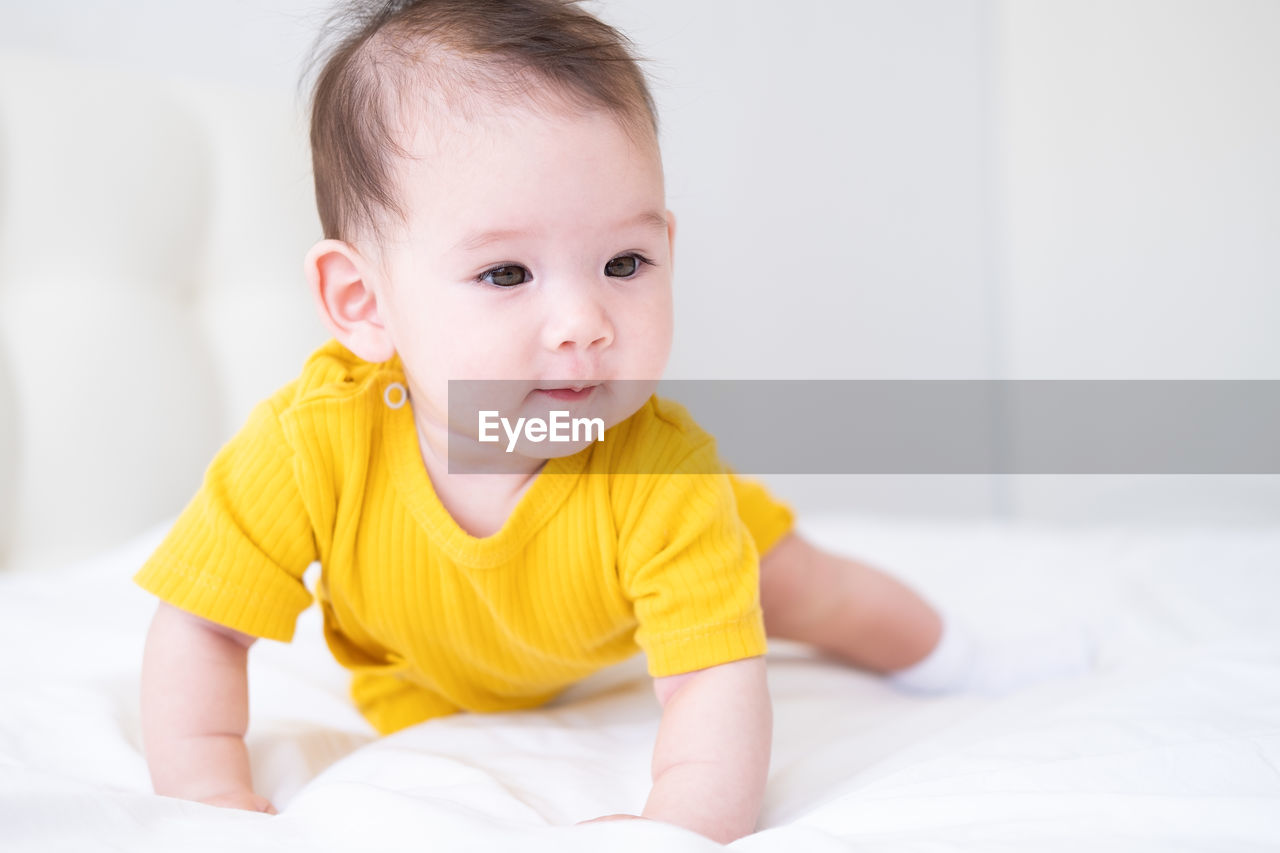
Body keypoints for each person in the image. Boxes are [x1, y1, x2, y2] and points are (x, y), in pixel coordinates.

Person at [133, 1, 1095, 843]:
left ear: (667, 246)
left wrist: (678, 820)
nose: (584, 324)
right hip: (428, 674)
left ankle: (961, 652)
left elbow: (713, 685)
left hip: (634, 577)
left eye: (624, 263)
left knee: (808, 587)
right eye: (506, 274)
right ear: (363, 302)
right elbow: (204, 628)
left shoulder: (663, 474)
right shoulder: (311, 444)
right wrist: (209, 793)